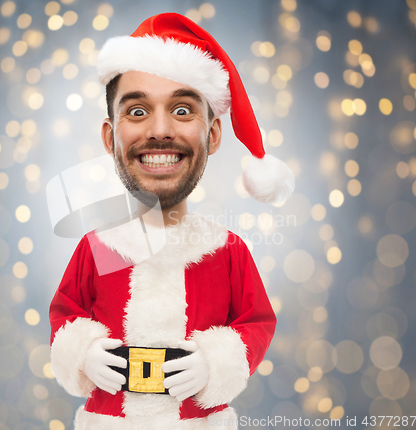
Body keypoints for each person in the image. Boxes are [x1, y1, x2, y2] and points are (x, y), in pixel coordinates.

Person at [49, 12, 294, 430]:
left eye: (182, 110)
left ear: (213, 135)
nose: (160, 130)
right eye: (138, 111)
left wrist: (216, 362)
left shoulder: (227, 251)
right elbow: (65, 314)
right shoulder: (97, 246)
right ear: (110, 138)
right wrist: (83, 352)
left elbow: (256, 323)